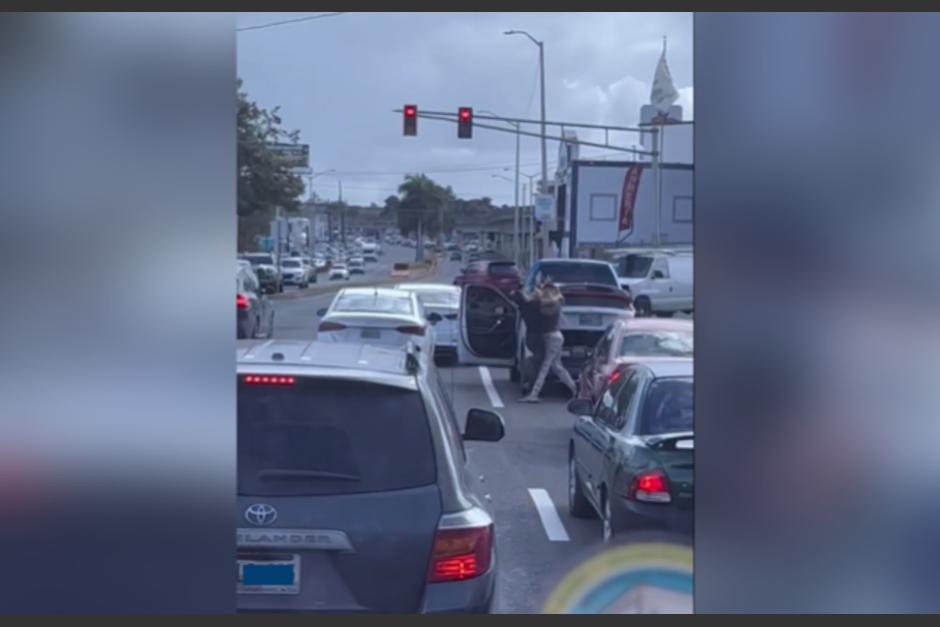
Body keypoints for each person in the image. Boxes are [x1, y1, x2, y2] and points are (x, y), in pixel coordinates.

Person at [515, 280, 578, 403]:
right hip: (554, 337)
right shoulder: (553, 302)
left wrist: (535, 294)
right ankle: (576, 390)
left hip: (553, 337)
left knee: (546, 366)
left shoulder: (553, 302)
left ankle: (534, 393)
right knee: (557, 367)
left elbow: (535, 301)